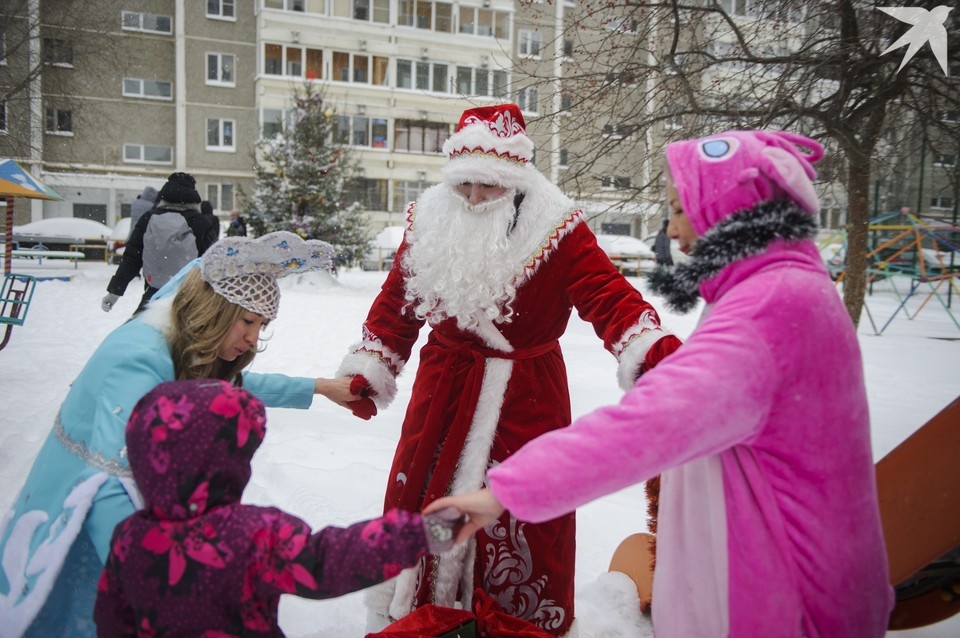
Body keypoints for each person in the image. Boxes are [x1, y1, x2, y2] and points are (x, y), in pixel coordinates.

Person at [426, 130, 895, 637]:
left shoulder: (770, 310)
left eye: (678, 208)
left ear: (726, 208)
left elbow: (648, 425)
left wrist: (506, 492)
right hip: (790, 571)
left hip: (776, 597)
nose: (671, 231)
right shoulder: (782, 287)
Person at [334, 103, 681, 636]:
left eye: (487, 187)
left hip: (524, 397)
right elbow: (397, 302)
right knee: (424, 498)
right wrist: (370, 366)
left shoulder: (559, 228)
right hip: (443, 388)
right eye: (464, 186)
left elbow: (608, 294)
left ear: (516, 181)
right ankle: (424, 615)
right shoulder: (429, 217)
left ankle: (511, 625)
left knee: (521, 518)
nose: (473, 199)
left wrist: (652, 351)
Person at [0, 231, 358, 637]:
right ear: (215, 309)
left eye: (262, 324)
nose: (254, 338)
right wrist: (167, 587)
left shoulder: (180, 342)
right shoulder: (139, 357)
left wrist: (320, 387)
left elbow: (231, 386)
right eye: (247, 321)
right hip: (78, 511)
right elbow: (112, 486)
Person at [93, 378, 464, 636]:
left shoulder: (129, 537)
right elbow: (330, 560)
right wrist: (428, 530)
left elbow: (111, 620)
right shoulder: (249, 535)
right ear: (228, 463)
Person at [103, 172, 220, 315]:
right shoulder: (200, 222)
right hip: (190, 295)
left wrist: (115, 291)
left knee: (144, 330)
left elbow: (131, 258)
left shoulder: (148, 218)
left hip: (155, 293)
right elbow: (214, 261)